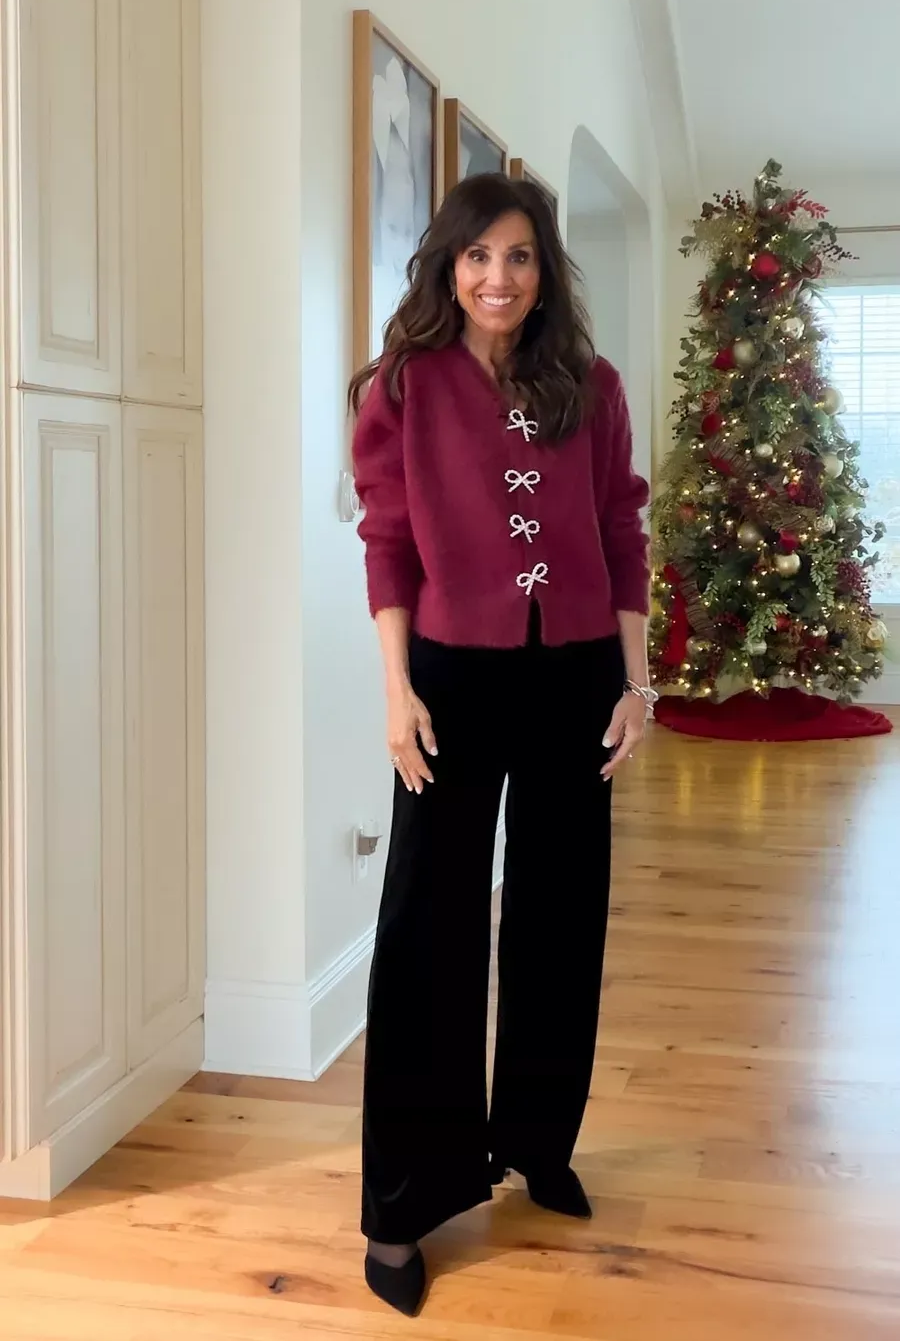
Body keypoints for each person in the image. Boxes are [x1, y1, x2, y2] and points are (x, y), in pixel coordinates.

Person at [349, 172, 653, 1317]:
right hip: (451, 676)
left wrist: (635, 685)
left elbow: (621, 529)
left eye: (522, 257)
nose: (498, 278)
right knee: (428, 918)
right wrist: (395, 690)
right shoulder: (404, 389)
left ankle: (535, 1139)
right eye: (479, 256)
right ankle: (404, 1203)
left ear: (545, 270)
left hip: (576, 674)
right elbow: (386, 544)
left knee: (562, 907)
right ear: (446, 263)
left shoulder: (592, 385)